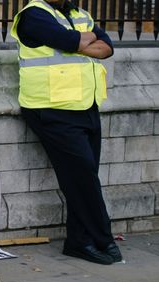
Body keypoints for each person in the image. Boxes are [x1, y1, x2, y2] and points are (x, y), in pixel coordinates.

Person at [10, 0, 122, 265]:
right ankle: (103, 237)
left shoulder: (80, 14)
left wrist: (83, 40)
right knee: (82, 175)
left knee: (84, 176)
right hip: (50, 108)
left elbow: (107, 47)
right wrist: (83, 40)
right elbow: (68, 40)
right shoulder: (34, 15)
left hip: (85, 104)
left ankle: (78, 241)